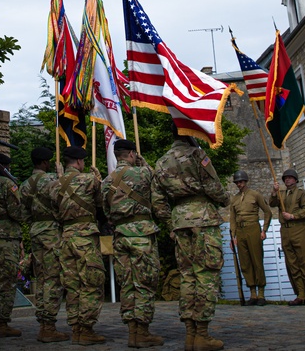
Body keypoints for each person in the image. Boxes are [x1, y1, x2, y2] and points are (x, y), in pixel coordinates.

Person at [152, 135, 229, 351]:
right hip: (203, 218)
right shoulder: (197, 154)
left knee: (187, 276)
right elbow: (213, 186)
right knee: (206, 274)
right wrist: (225, 200)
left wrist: (170, 222)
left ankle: (190, 335)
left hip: (179, 221)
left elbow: (157, 202)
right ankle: (202, 334)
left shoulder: (161, 162)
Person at [101, 139, 163, 348]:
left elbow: (106, 212)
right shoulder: (143, 173)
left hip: (120, 235)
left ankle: (132, 332)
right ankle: (143, 331)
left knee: (127, 283)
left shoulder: (106, 181)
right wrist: (143, 162)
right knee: (144, 282)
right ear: (131, 154)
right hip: (141, 235)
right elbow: (158, 180)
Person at [56, 145, 106, 345]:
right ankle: (86, 329)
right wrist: (99, 180)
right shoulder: (89, 180)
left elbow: (54, 209)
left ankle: (76, 328)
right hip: (85, 237)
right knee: (92, 283)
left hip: (66, 237)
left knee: (72, 285)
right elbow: (102, 204)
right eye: (83, 161)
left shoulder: (55, 184)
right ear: (78, 162)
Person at [18, 146, 68, 343]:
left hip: (35, 230)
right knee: (52, 278)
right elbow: (62, 202)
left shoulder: (24, 184)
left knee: (41, 277)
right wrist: (61, 177)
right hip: (50, 232)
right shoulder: (49, 180)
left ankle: (43, 322)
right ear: (45, 162)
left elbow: (23, 213)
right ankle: (48, 327)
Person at [0, 152, 24, 338]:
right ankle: (1, 323)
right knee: (7, 279)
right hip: (6, 236)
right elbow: (16, 212)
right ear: (5, 167)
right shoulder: (9, 185)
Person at [270, 168, 305, 307]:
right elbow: (272, 203)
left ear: (295, 180)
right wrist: (274, 191)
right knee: (292, 263)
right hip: (286, 231)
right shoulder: (281, 194)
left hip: (299, 229)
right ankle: (300, 294)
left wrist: (293, 216)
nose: (288, 180)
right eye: (285, 178)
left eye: (290, 178)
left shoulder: (302, 193)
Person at [228, 169, 273, 305]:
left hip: (253, 227)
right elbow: (232, 218)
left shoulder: (255, 195)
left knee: (257, 260)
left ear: (245, 181)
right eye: (237, 182)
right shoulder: (234, 199)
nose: (239, 184)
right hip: (240, 231)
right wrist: (233, 236)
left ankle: (261, 294)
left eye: (241, 182)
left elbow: (267, 212)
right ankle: (252, 293)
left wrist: (264, 230)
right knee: (245, 263)